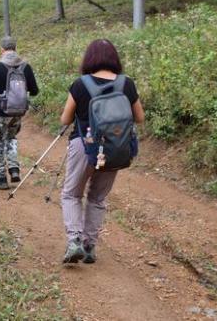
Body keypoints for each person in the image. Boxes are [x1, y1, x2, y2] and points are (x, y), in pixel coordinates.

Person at [59, 39, 145, 264]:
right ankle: (89, 246)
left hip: (83, 146)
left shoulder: (80, 84)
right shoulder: (127, 84)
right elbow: (140, 118)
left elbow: (65, 119)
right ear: (114, 58)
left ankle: (75, 240)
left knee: (71, 194)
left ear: (89, 59)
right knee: (97, 197)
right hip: (115, 147)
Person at [0, 36, 39, 190]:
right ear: (15, 47)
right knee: (11, 138)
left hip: (1, 112)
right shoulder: (25, 67)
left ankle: (0, 179)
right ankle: (14, 169)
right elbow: (34, 90)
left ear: (2, 49)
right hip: (18, 113)